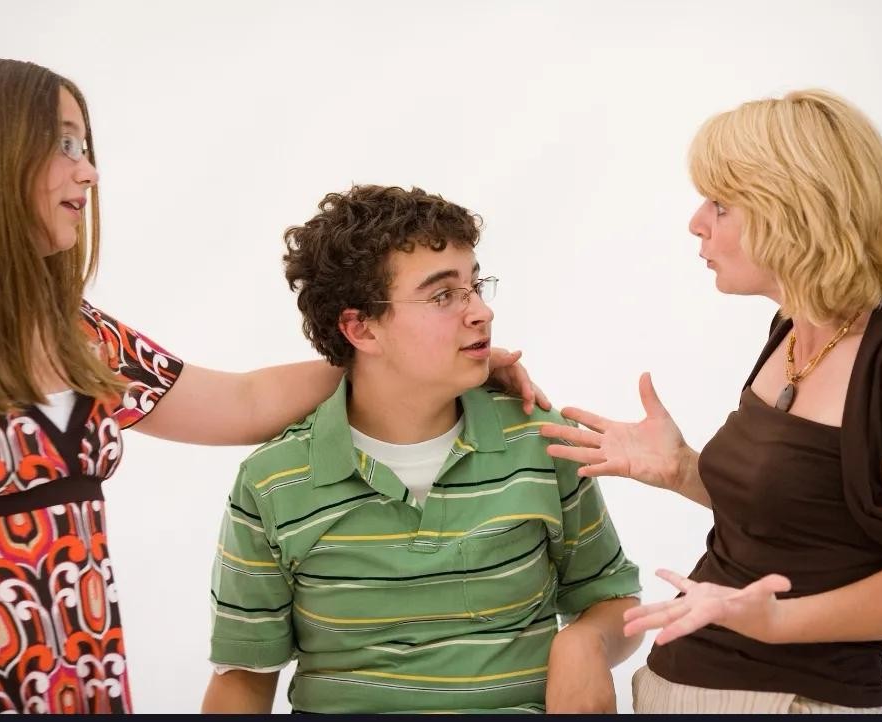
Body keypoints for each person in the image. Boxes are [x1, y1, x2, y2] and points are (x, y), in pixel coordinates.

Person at [0, 57, 542, 714]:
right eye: (63, 145)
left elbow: (243, 403)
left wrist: (414, 360)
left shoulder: (80, 335)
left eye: (84, 147)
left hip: (77, 681)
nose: (88, 171)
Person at [541, 89, 882, 713]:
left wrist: (777, 622)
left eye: (720, 205)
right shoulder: (794, 329)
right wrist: (682, 470)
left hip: (792, 699)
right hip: (680, 684)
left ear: (795, 211)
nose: (697, 222)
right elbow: (805, 519)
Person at [201, 184, 643, 714]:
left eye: (475, 285)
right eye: (442, 296)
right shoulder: (273, 481)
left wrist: (585, 641)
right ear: (361, 328)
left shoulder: (541, 442)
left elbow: (612, 598)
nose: (481, 312)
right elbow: (245, 677)